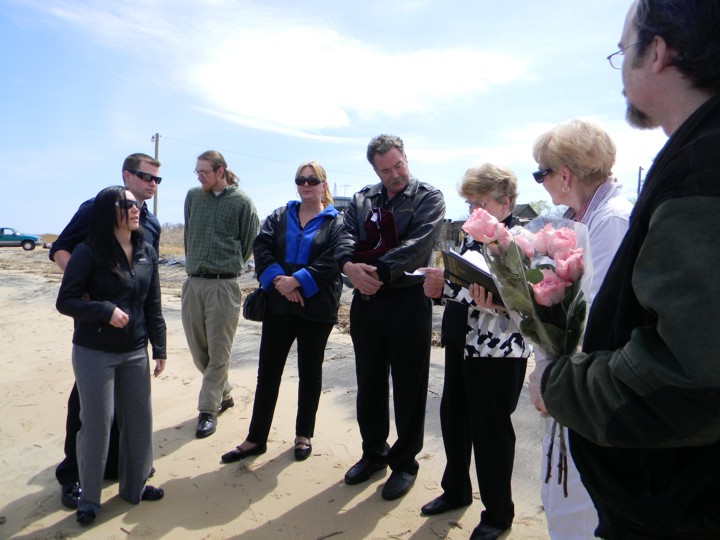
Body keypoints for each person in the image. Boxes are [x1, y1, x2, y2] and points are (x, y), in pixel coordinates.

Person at [535, 1, 720, 537]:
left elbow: (690, 376)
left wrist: (560, 385)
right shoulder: (690, 161)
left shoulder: (699, 174)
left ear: (657, 52)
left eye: (623, 50)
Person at [527, 119, 632, 540]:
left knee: (582, 514)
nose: (542, 184)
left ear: (565, 175)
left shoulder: (612, 222)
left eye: (542, 173)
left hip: (592, 392)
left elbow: (592, 317)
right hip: (574, 385)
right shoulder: (581, 220)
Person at [419, 164, 530, 540]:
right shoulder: (472, 236)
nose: (472, 213)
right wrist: (439, 283)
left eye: (479, 204)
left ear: (505, 202)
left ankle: (498, 514)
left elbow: (523, 303)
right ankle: (456, 490)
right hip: (462, 341)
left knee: (491, 432)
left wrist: (459, 291)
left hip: (499, 351)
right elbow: (466, 286)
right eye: (468, 205)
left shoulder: (520, 240)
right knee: (454, 418)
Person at [335, 134, 446, 501]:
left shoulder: (429, 197)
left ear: (406, 158)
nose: (395, 174)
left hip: (408, 301)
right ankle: (373, 454)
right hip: (367, 303)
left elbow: (419, 246)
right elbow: (345, 236)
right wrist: (349, 267)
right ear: (375, 170)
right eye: (386, 170)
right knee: (369, 381)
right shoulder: (362, 198)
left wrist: (375, 275)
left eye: (399, 165)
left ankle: (405, 464)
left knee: (409, 387)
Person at [49, 152, 162, 509]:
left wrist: (158, 343)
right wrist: (89, 293)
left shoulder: (151, 226)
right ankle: (74, 478)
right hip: (95, 334)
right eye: (146, 176)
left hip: (132, 338)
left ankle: (127, 474)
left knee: (133, 414)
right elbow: (60, 248)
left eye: (157, 179)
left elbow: (149, 288)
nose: (152, 184)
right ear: (126, 175)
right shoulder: (96, 208)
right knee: (87, 409)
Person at [221, 161, 343, 463]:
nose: (306, 185)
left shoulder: (337, 222)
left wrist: (299, 281)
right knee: (269, 372)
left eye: (312, 180)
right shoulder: (280, 215)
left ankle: (304, 434)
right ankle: (255, 438)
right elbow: (261, 248)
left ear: (324, 185)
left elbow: (333, 260)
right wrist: (280, 281)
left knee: (310, 373)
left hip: (317, 309)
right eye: (300, 180)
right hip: (278, 306)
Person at [182, 150, 259, 439]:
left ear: (220, 171)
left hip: (224, 285)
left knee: (219, 350)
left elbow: (249, 242)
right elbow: (190, 233)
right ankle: (224, 393)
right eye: (197, 172)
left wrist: (226, 265)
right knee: (198, 350)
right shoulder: (192, 197)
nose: (199, 176)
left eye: (204, 171)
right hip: (193, 283)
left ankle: (207, 409)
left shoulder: (242, 202)